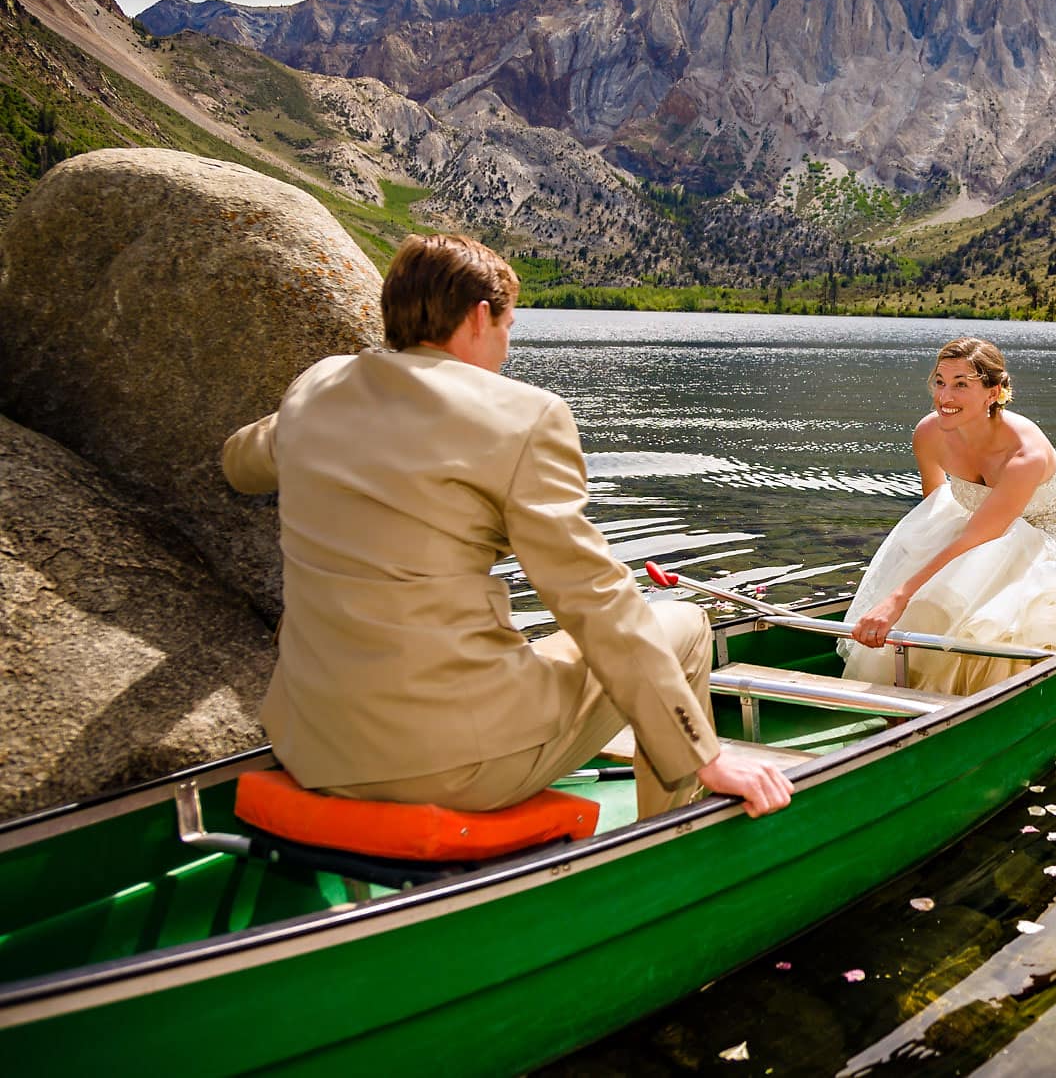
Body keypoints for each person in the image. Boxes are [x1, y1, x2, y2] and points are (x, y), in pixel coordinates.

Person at [222, 234, 790, 821]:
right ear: (478, 317)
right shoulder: (523, 416)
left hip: (315, 746)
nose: (506, 349)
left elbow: (240, 463)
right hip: (450, 760)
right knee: (685, 622)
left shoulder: (314, 392)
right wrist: (706, 753)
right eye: (508, 327)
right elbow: (591, 597)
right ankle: (671, 837)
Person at [842, 337, 1056, 694]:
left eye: (961, 385)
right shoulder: (928, 433)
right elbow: (933, 507)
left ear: (993, 392)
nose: (944, 398)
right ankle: (911, 673)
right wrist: (909, 573)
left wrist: (898, 597)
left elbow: (983, 536)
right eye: (940, 382)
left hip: (1054, 537)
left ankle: (988, 680)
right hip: (986, 531)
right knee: (939, 554)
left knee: (992, 552)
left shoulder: (1024, 453)